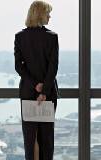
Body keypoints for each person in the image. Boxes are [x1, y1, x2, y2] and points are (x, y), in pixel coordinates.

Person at [14, 1, 59, 160]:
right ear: (40, 14)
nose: (50, 16)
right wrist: (45, 90)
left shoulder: (20, 37)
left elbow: (19, 67)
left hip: (28, 92)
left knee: (30, 137)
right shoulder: (52, 37)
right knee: (46, 136)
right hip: (48, 94)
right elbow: (53, 67)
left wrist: (35, 85)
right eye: (47, 13)